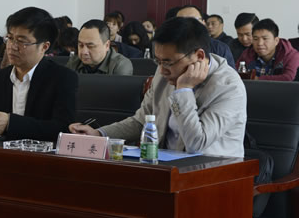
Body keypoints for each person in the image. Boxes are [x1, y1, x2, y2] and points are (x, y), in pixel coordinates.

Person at [69, 17, 246, 158]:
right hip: (167, 168)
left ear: (199, 56)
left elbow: (196, 144)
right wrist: (99, 134)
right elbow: (141, 121)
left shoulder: (229, 87)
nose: (162, 70)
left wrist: (184, 90)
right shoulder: (164, 73)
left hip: (212, 174)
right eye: (158, 61)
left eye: (168, 62)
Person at [0, 7, 78, 141]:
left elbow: (63, 128)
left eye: (21, 41)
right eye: (10, 38)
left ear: (44, 47)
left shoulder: (62, 78)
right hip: (0, 151)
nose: (12, 46)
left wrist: (11, 123)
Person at [66, 19, 133, 75]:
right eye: (80, 45)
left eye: (90, 46)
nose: (84, 52)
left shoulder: (120, 65)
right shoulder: (74, 62)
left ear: (107, 45)